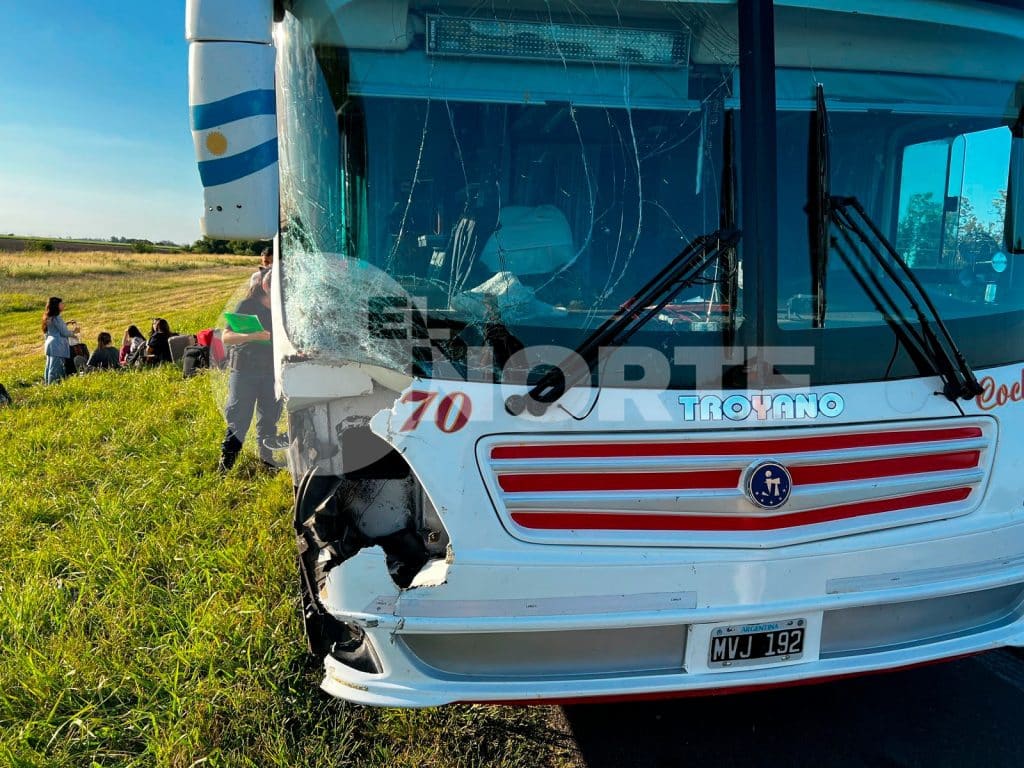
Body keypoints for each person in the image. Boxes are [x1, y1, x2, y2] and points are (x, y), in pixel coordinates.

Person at [219, 269, 283, 472]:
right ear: (265, 286)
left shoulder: (282, 308)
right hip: (245, 371)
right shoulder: (247, 305)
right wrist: (253, 336)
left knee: (269, 418)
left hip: (271, 371)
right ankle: (226, 465)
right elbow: (226, 337)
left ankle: (267, 462)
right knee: (239, 418)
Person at [42, 297, 78, 384]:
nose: (63, 305)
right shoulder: (57, 317)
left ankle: (47, 384)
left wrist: (66, 323)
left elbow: (55, 328)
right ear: (56, 306)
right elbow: (64, 333)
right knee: (56, 369)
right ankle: (53, 387)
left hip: (50, 344)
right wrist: (74, 332)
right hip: (57, 346)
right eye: (61, 304)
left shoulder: (48, 316)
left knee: (49, 366)